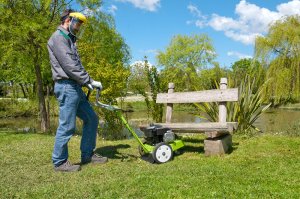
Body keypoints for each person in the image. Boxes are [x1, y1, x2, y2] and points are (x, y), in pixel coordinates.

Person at [47, 9, 108, 172]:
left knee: (92, 119)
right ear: (68, 20)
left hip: (75, 86)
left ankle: (87, 154)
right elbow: (69, 65)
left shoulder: (69, 39)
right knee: (67, 126)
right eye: (78, 23)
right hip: (67, 86)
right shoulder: (59, 38)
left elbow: (76, 65)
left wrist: (86, 82)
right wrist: (88, 80)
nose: (79, 27)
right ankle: (59, 162)